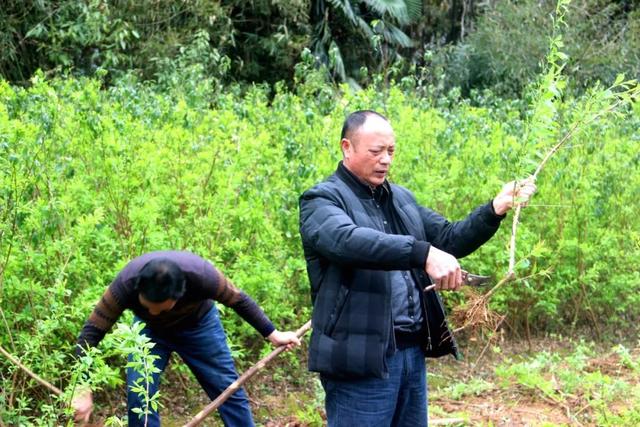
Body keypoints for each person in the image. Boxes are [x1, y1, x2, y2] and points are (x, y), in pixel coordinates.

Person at [298, 110, 536, 426]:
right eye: (375, 152)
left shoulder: (399, 199)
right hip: (359, 356)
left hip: (410, 351)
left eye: (391, 151)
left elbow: (449, 238)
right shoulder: (321, 200)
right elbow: (348, 241)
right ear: (347, 147)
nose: (385, 160)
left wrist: (495, 208)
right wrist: (422, 253)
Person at [71, 250, 300, 426]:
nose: (153, 312)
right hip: (148, 333)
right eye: (147, 306)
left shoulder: (201, 275)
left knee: (226, 388)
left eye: (160, 308)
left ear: (179, 295)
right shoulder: (126, 284)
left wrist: (272, 334)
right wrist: (82, 386)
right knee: (139, 394)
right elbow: (91, 332)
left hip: (199, 327)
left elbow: (239, 300)